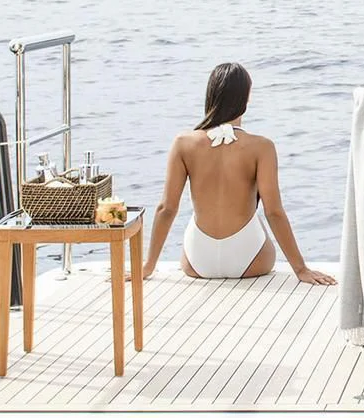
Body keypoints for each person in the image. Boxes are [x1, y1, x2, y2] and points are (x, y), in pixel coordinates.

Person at [142, 62, 335, 285]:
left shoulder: (183, 143)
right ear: (247, 97)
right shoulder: (262, 146)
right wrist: (301, 269)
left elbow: (167, 209)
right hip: (249, 259)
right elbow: (274, 212)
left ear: (211, 94)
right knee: (257, 216)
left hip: (199, 261)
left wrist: (148, 266)